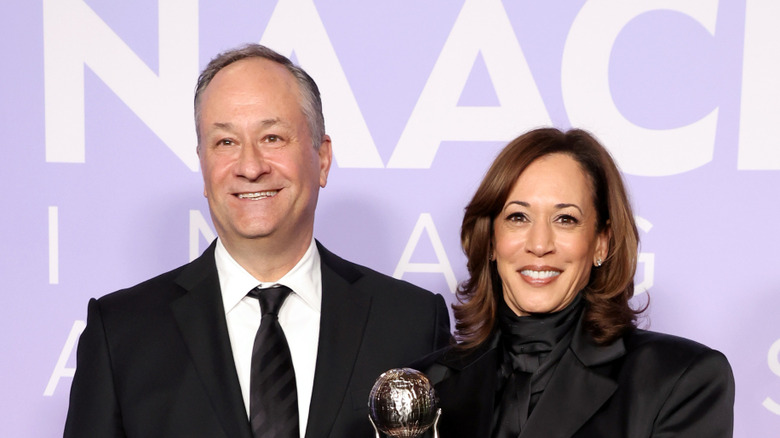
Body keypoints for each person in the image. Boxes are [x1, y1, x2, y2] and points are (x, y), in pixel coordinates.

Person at [64, 44, 451, 438]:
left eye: (272, 137)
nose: (250, 167)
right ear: (203, 165)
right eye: (225, 143)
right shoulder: (122, 333)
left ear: (322, 158)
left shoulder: (411, 322)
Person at [417, 127, 734, 437]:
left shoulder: (679, 379)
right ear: (490, 241)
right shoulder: (425, 387)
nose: (540, 245)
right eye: (518, 217)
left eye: (565, 219)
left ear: (601, 242)